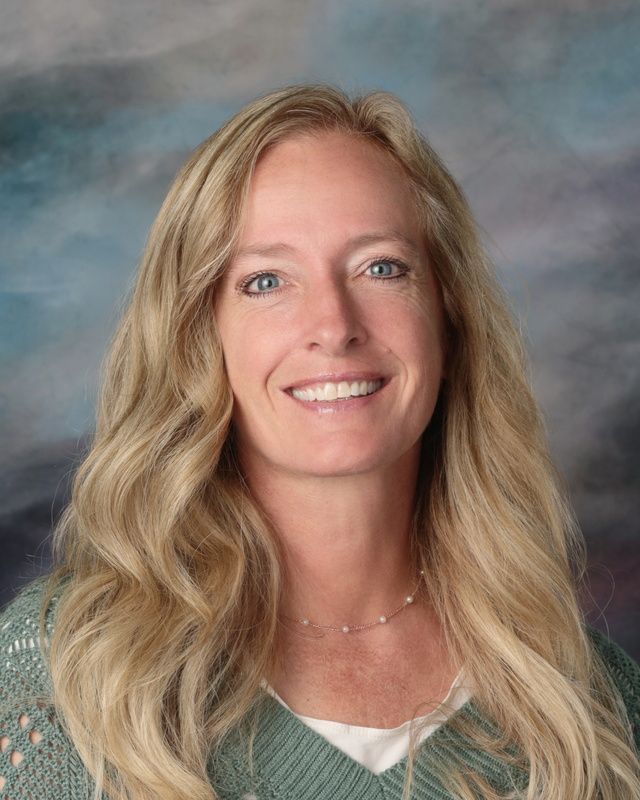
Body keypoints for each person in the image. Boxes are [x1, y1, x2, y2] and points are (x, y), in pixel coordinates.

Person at [0, 83, 638, 800]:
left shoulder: (589, 706)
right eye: (266, 281)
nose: (333, 326)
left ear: (449, 316)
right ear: (198, 335)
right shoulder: (69, 674)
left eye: (381, 268)